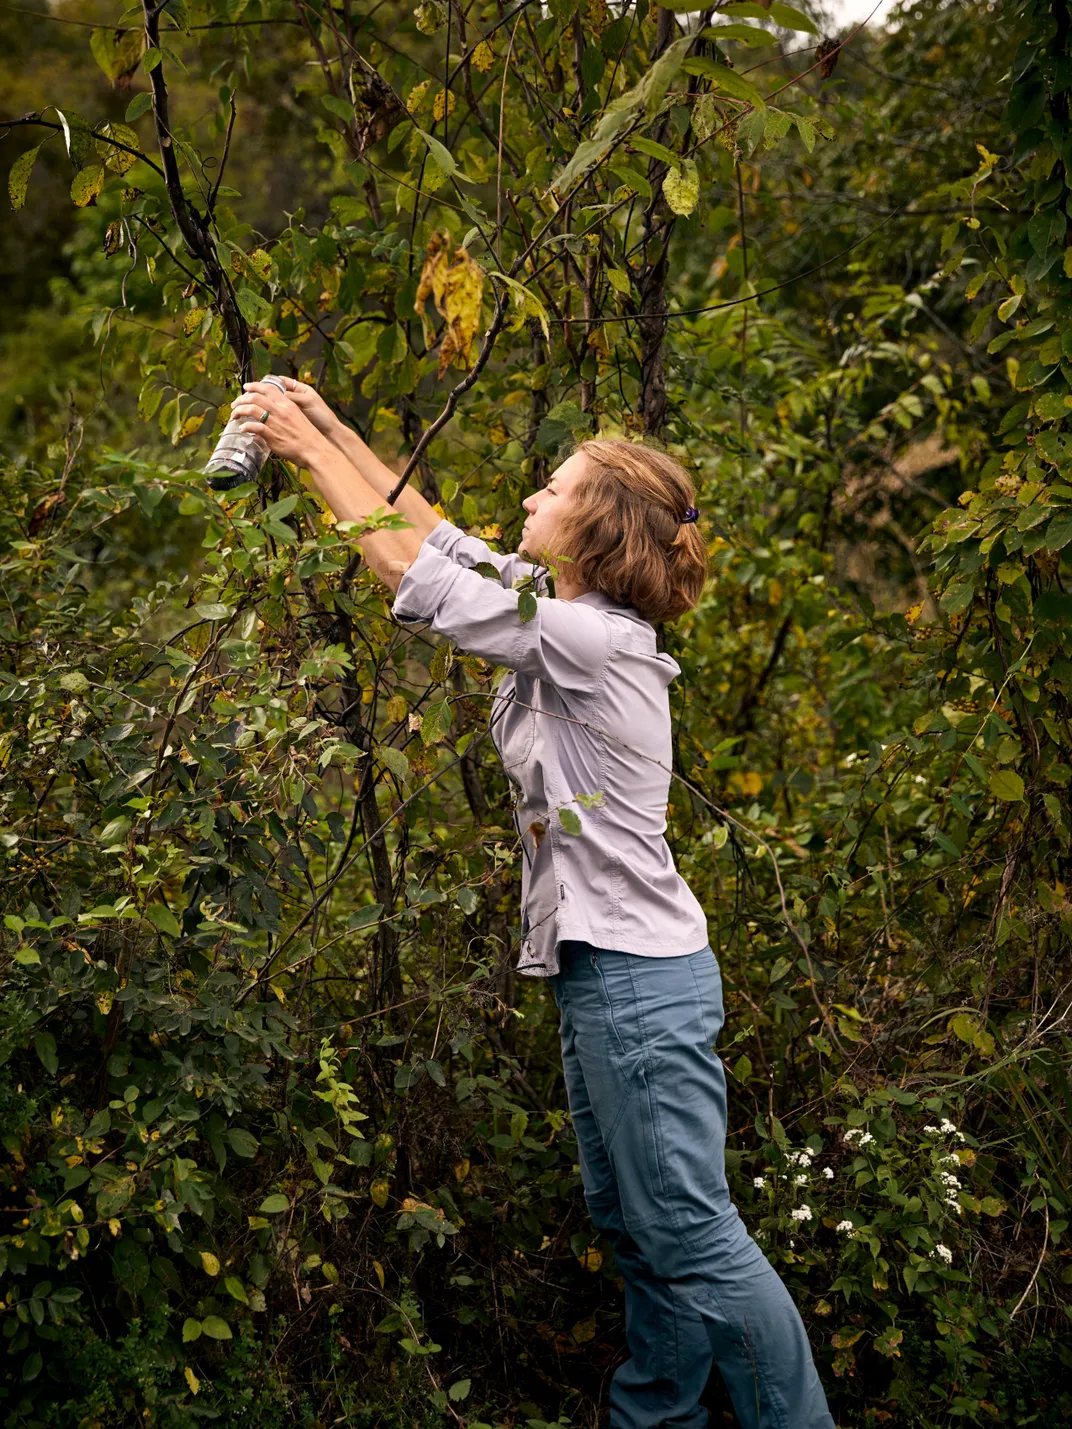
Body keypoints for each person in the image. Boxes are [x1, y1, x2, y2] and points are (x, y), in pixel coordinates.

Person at [230, 377, 836, 1429]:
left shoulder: (590, 640)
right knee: (636, 1227)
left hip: (640, 986)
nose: (527, 500)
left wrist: (293, 453)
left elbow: (400, 564)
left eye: (548, 490)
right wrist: (326, 426)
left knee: (690, 1232)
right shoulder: (563, 615)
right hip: (606, 977)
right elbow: (438, 538)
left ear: (592, 525)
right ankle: (658, 1418)